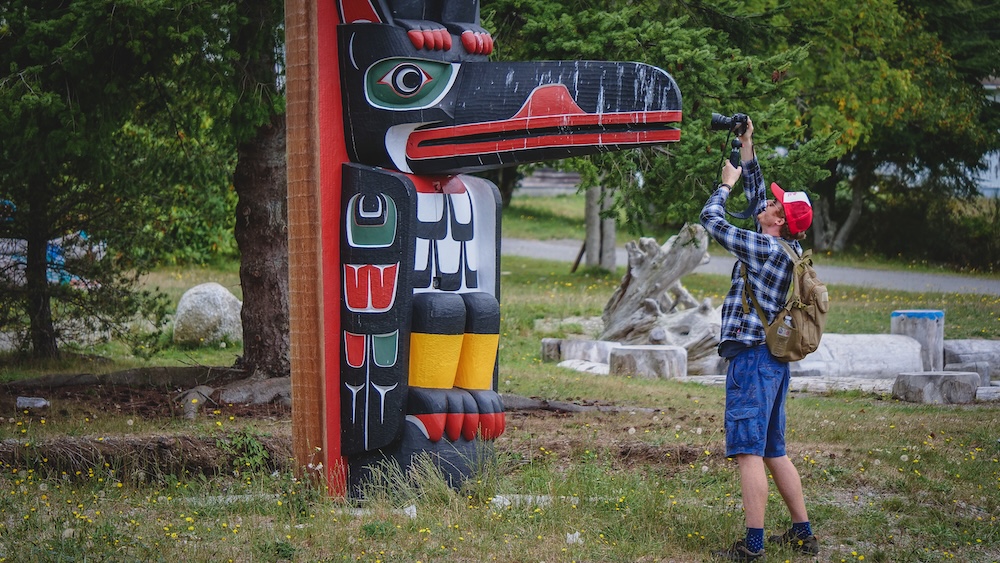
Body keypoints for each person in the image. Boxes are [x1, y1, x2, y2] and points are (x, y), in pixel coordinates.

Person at [699, 117, 819, 561]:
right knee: (773, 450)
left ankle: (752, 546)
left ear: (778, 220)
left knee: (748, 452)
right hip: (775, 362)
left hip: (751, 360)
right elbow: (758, 192)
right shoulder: (785, 248)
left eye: (774, 204)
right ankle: (803, 534)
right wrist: (746, 145)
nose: (768, 201)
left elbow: (711, 220)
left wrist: (723, 186)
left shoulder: (763, 248)